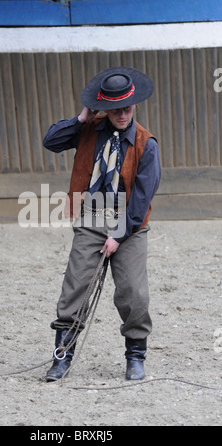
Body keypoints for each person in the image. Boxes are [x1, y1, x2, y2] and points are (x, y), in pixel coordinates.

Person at [43, 67, 161, 382]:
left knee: (133, 291)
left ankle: (135, 356)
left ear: (135, 105)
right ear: (104, 107)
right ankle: (62, 355)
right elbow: (51, 142)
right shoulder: (88, 129)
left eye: (127, 107)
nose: (122, 114)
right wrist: (82, 117)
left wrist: (119, 236)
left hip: (130, 223)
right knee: (75, 287)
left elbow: (141, 199)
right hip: (91, 216)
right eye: (114, 108)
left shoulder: (146, 144)